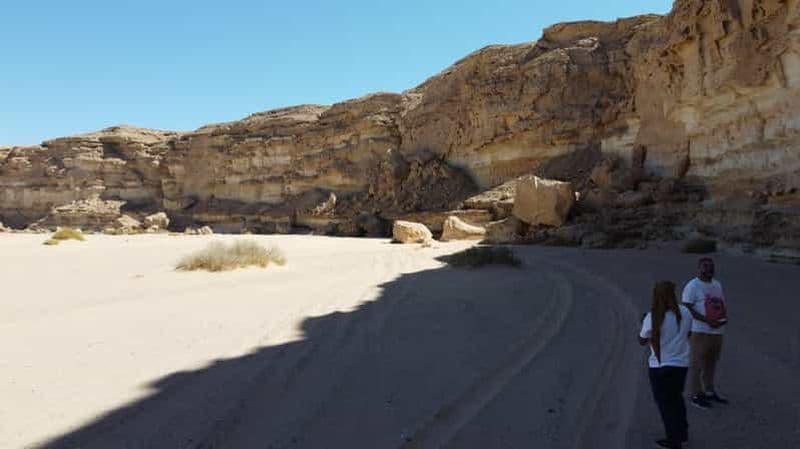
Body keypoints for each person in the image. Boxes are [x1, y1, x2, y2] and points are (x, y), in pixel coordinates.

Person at [639, 280, 693, 449]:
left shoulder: (652, 317)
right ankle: (682, 432)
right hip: (681, 364)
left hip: (660, 366)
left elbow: (641, 340)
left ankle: (673, 440)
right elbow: (688, 333)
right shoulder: (685, 312)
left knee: (665, 405)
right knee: (676, 399)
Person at [682, 257, 728, 409]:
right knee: (696, 363)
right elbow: (687, 307)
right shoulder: (693, 285)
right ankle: (696, 394)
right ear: (699, 268)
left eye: (711, 266)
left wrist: (722, 318)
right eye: (705, 266)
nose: (709, 269)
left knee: (711, 362)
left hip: (717, 331)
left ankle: (709, 390)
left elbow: (720, 303)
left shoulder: (717, 284)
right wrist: (705, 320)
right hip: (700, 331)